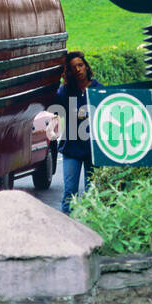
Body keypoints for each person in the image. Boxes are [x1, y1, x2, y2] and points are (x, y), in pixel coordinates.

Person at [55, 50, 100, 215]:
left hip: (93, 150)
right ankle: (67, 228)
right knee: (70, 192)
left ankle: (92, 228)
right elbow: (53, 108)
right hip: (72, 148)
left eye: (80, 65)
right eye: (73, 68)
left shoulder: (99, 90)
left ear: (87, 67)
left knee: (93, 191)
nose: (78, 70)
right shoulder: (65, 91)